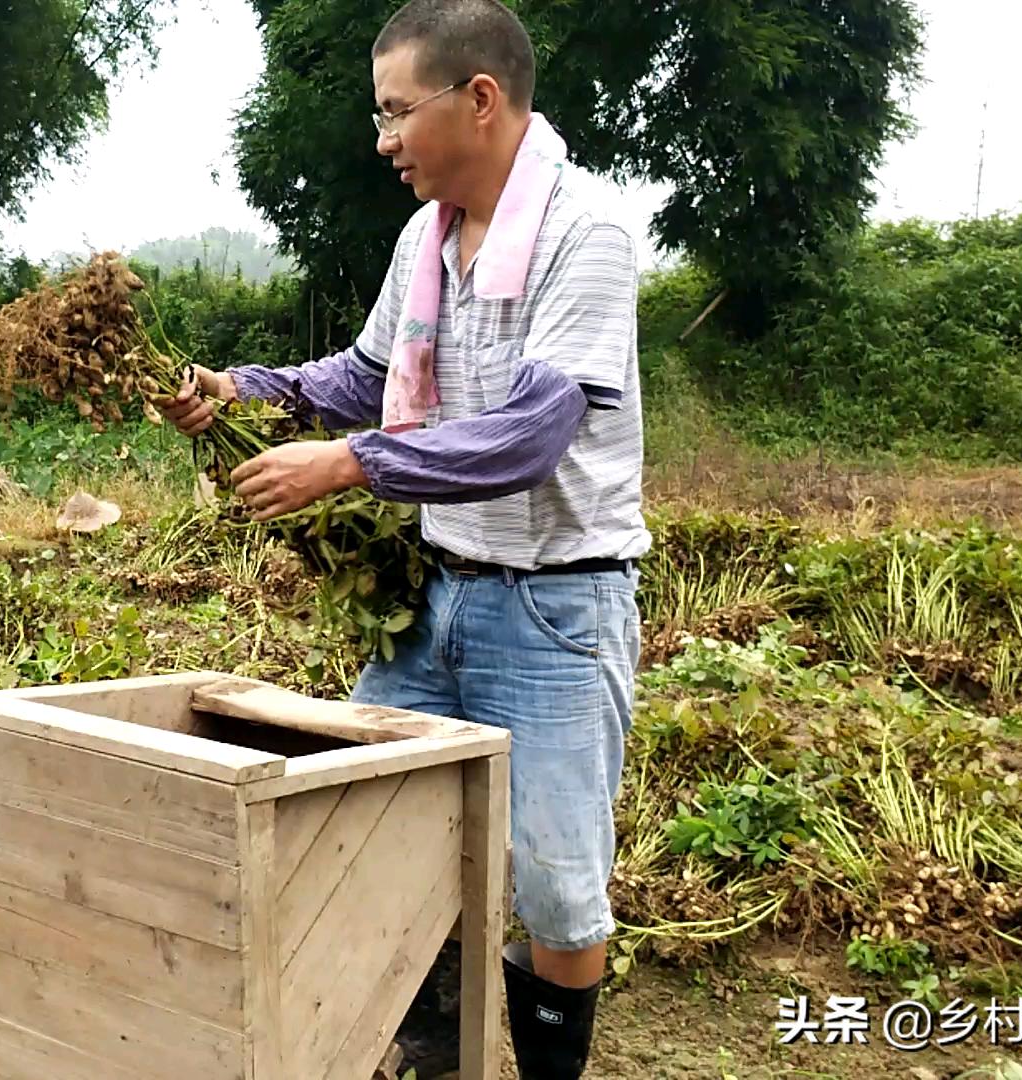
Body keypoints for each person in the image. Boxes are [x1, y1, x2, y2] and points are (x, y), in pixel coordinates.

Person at [155, 0, 648, 1076]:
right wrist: (246, 388)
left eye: (395, 112)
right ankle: (437, 1062)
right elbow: (369, 377)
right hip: (434, 596)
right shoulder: (424, 240)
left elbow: (530, 434)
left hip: (555, 606)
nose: (382, 141)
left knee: (556, 889)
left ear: (479, 100)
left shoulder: (585, 232)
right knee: (391, 841)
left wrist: (352, 462)